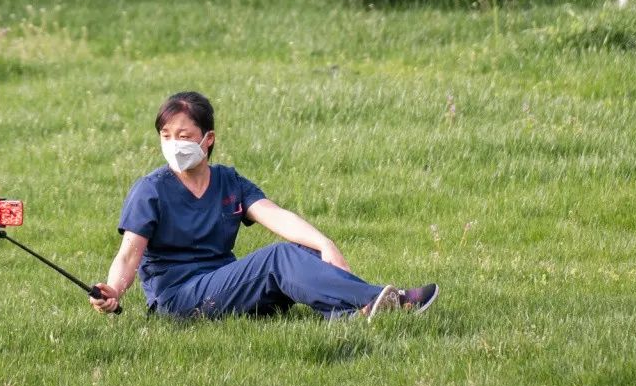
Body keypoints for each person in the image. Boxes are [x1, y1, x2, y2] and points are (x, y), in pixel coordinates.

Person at [91, 90, 438, 321]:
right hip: (179, 299)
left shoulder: (228, 181)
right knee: (279, 258)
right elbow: (129, 254)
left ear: (208, 140)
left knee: (305, 251)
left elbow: (274, 215)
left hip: (223, 285)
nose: (173, 144)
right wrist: (114, 289)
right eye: (166, 136)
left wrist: (324, 244)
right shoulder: (150, 190)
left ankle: (352, 314)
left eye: (184, 136)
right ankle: (387, 301)